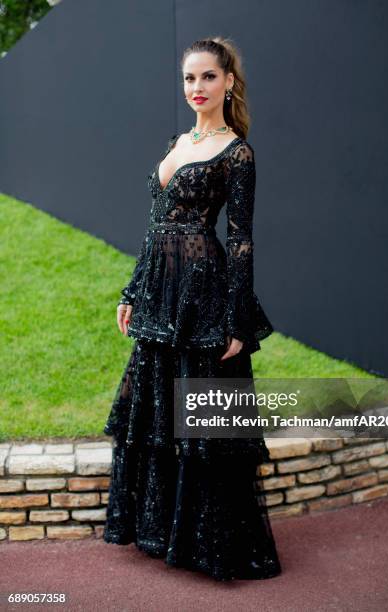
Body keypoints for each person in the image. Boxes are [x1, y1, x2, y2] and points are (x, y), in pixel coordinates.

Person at [103, 36, 282, 582]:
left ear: (229, 81)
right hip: (160, 291)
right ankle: (162, 532)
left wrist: (236, 321)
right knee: (157, 410)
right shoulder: (176, 140)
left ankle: (212, 545)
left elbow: (242, 240)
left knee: (202, 419)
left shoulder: (238, 153)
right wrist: (133, 291)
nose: (196, 88)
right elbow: (154, 226)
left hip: (202, 293)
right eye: (189, 79)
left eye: (207, 77)